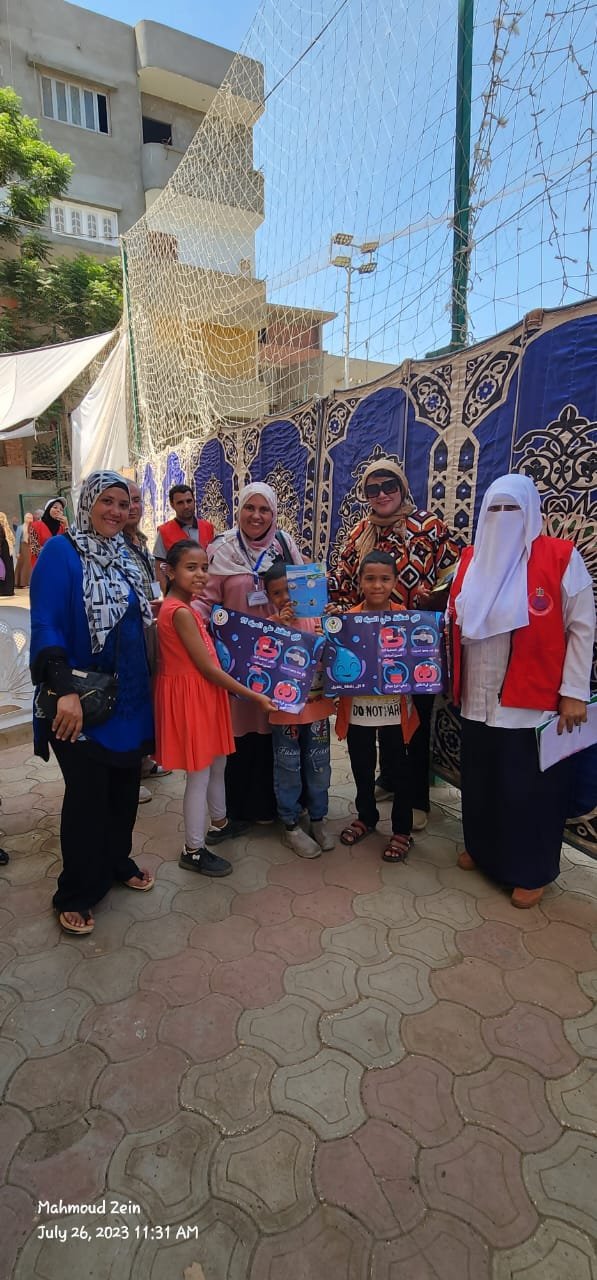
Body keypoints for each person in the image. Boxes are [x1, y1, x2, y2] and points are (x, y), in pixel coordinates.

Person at [448, 473, 595, 909]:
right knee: (481, 782)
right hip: (477, 698)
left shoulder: (560, 557)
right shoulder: (470, 559)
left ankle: (531, 871)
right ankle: (481, 849)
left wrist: (574, 691)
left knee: (529, 790)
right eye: (494, 508)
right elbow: (454, 617)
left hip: (532, 701)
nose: (502, 517)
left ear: (530, 512)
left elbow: (581, 627)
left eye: (512, 508)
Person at [30, 471, 156, 936]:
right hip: (81, 700)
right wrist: (63, 690)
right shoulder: (61, 553)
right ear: (87, 503)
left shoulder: (127, 552)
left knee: (124, 791)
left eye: (124, 504)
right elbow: (45, 622)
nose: (116, 511)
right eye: (107, 501)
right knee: (87, 797)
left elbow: (147, 619)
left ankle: (116, 861)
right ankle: (77, 891)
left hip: (130, 700)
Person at [328, 457, 460, 830]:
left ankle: (416, 799)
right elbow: (342, 581)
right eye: (373, 488)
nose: (382, 494)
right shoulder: (359, 533)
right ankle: (387, 781)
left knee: (412, 723)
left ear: (402, 489)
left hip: (414, 646)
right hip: (369, 648)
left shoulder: (429, 527)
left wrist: (431, 600)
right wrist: (332, 607)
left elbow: (454, 576)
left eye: (389, 486)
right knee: (378, 721)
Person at [154, 540, 276, 875]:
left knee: (217, 762)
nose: (200, 575)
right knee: (199, 774)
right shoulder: (180, 612)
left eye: (205, 568)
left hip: (203, 694)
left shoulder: (184, 607)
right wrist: (255, 696)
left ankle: (220, 822)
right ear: (170, 571)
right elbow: (208, 668)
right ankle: (193, 849)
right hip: (193, 696)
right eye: (190, 568)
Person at [198, 482, 303, 824]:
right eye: (249, 508)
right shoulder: (220, 549)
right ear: (239, 509)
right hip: (237, 660)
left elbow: (305, 593)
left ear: (274, 514)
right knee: (240, 730)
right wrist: (186, 624)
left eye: (264, 510)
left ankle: (275, 807)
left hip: (279, 658)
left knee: (274, 728)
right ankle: (239, 811)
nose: (256, 516)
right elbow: (204, 600)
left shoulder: (285, 545)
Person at [333, 551, 419, 861]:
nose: (377, 585)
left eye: (385, 579)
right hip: (359, 710)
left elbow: (418, 660)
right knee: (361, 765)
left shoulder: (407, 619)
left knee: (399, 770)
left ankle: (402, 830)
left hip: (395, 711)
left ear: (395, 582)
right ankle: (366, 816)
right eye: (370, 578)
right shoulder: (347, 621)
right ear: (360, 581)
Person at [263, 561, 334, 857]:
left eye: (289, 590)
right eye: (276, 593)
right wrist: (280, 628)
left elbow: (334, 657)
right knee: (287, 767)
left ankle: (318, 819)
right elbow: (265, 663)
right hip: (284, 713)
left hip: (317, 709)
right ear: (268, 596)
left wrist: (330, 630)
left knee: (319, 765)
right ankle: (291, 824)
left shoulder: (318, 618)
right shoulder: (270, 625)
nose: (285, 598)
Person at [122, 479, 170, 799]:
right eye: (127, 501)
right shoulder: (111, 544)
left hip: (147, 625)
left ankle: (143, 761)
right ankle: (128, 772)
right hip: (126, 632)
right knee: (130, 696)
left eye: (137, 500)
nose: (133, 507)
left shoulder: (139, 540)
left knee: (147, 692)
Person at [153, 484, 214, 588]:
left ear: (194, 501)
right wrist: (167, 594)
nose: (186, 506)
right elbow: (159, 569)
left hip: (206, 590)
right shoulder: (164, 531)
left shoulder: (208, 527)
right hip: (179, 592)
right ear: (172, 505)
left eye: (189, 501)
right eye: (180, 503)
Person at [30, 497, 68, 568]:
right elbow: (34, 549)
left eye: (61, 509)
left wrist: (66, 525)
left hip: (59, 566)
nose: (58, 510)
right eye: (55, 507)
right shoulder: (35, 525)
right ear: (48, 509)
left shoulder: (62, 527)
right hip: (42, 566)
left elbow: (68, 546)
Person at [14, 513, 33, 588]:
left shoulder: (32, 527)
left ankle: (27, 582)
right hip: (23, 547)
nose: (29, 519)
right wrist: (17, 552)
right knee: (23, 564)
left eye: (31, 518)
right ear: (25, 518)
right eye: (28, 517)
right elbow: (17, 540)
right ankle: (21, 582)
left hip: (30, 547)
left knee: (29, 565)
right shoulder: (20, 528)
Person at [0, 513, 15, 596]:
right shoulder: (7, 528)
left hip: (2, 552)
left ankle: (4, 590)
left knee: (2, 571)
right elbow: (13, 540)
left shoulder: (0, 528)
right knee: (9, 570)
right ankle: (9, 590)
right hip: (9, 552)